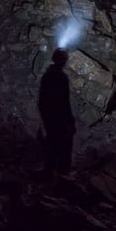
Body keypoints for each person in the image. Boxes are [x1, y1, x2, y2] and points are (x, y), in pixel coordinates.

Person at [38, 48, 76, 176]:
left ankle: (49, 170)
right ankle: (62, 172)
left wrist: (44, 117)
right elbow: (65, 102)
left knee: (51, 142)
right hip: (59, 117)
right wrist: (70, 120)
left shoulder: (47, 76)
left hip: (50, 116)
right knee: (64, 142)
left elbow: (41, 100)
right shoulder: (61, 77)